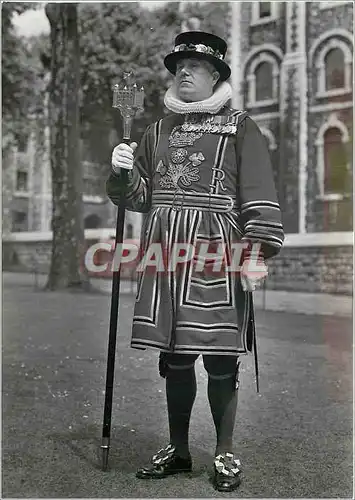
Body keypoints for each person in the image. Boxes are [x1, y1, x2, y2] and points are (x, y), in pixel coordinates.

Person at [106, 31, 284, 492]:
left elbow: (259, 193)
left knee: (221, 357)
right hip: (166, 254)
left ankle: (224, 453)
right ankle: (179, 450)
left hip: (218, 253)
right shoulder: (156, 131)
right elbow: (140, 198)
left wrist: (256, 252)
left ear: (216, 76)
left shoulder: (241, 127)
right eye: (178, 66)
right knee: (177, 356)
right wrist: (122, 171)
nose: (183, 72)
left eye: (195, 67)